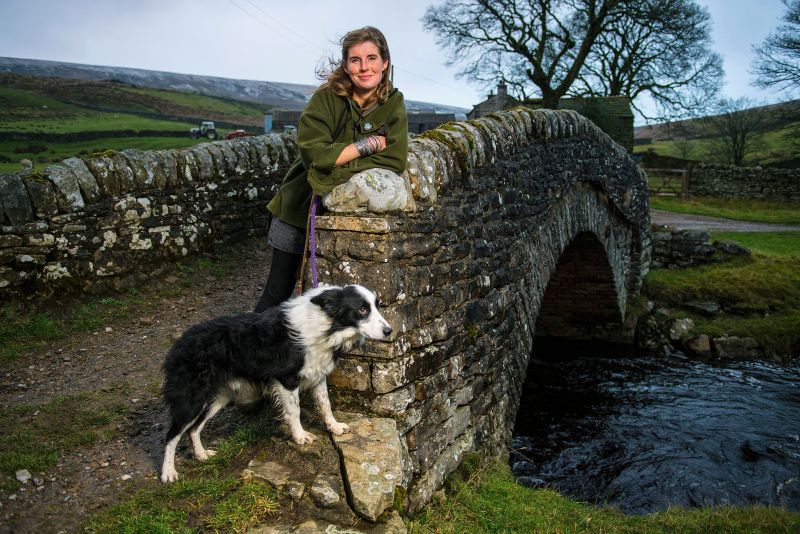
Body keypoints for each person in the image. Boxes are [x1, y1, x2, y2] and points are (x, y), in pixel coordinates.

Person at [254, 26, 408, 313]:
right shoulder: (327, 98)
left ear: (385, 62)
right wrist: (367, 146)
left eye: (372, 58)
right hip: (298, 206)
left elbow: (395, 159)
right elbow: (313, 152)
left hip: (343, 213)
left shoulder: (394, 102)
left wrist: (333, 166)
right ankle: (246, 354)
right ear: (346, 65)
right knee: (277, 295)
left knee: (325, 304)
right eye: (355, 60)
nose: (364, 67)